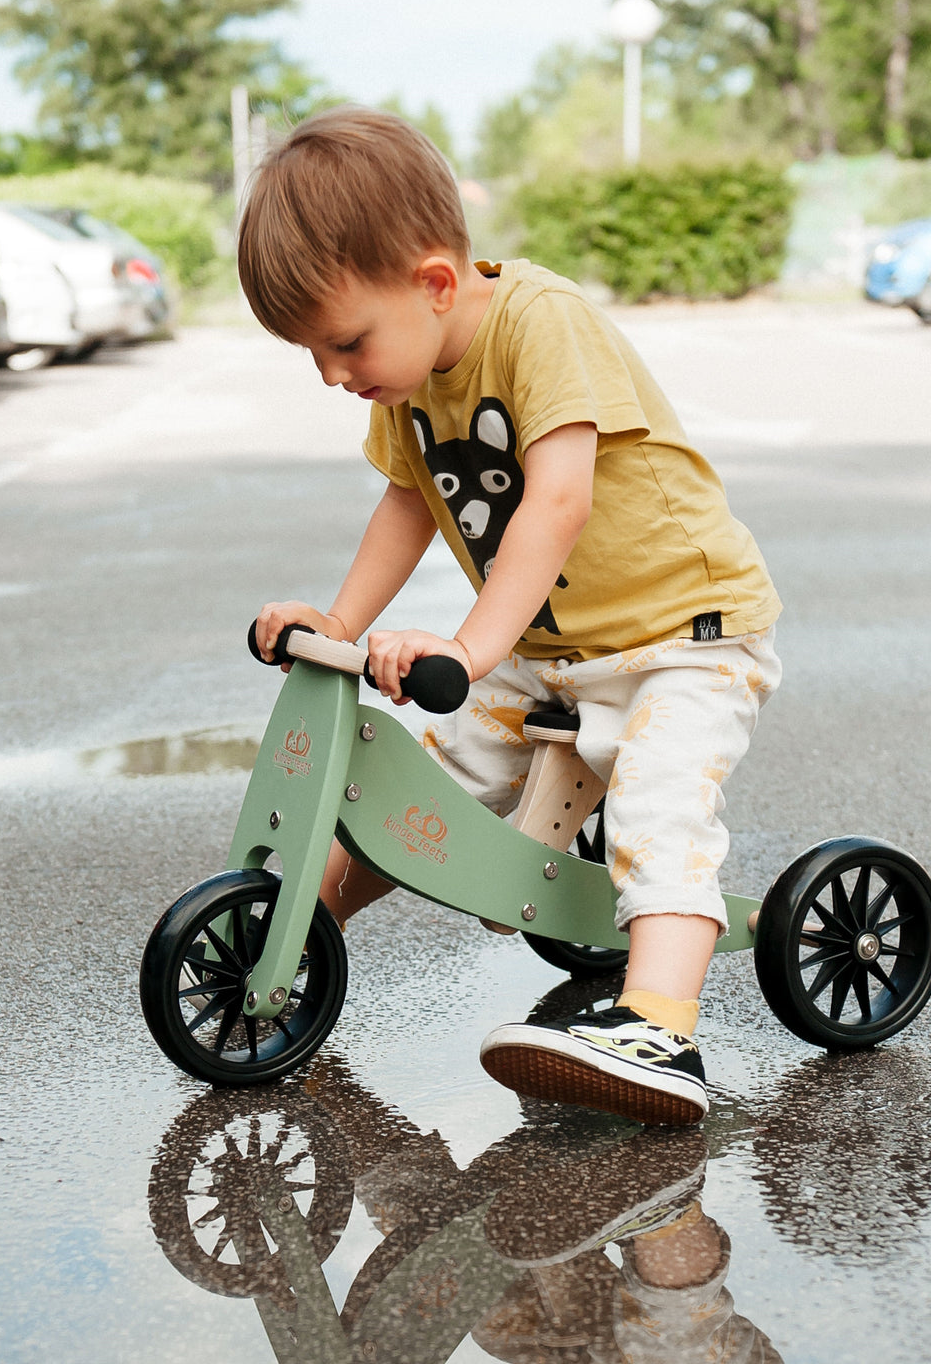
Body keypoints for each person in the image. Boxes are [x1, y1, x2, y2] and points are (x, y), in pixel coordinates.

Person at [239, 107, 781, 1126]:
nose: (334, 374)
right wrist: (339, 624)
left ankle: (660, 1026)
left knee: (658, 809)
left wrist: (467, 646)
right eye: (313, 353)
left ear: (436, 283)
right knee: (429, 785)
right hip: (552, 651)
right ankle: (302, 931)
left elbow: (558, 500)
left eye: (345, 342)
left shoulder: (542, 324)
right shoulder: (407, 384)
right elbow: (407, 504)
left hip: (682, 635)